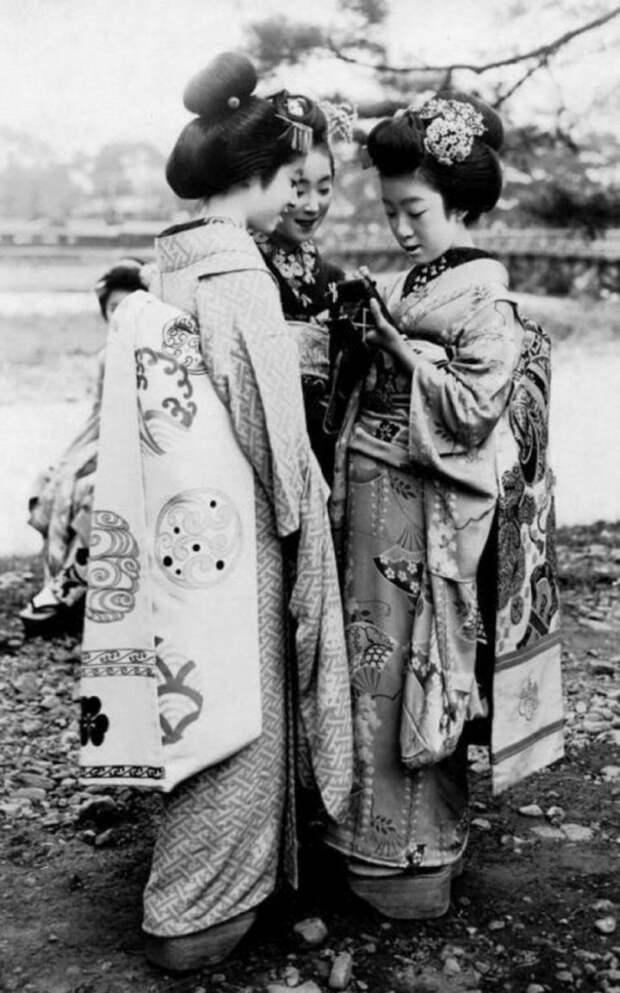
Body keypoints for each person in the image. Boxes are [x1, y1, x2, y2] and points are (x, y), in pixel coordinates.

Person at [78, 52, 352, 972]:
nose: (295, 199)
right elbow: (277, 438)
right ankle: (202, 906)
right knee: (249, 712)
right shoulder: (239, 280)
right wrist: (308, 529)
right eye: (289, 180)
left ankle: (219, 890)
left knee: (199, 699)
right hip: (240, 530)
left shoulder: (173, 266)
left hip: (183, 530)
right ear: (255, 180)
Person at [326, 94, 562, 919]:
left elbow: (473, 409)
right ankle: (359, 834)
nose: (399, 229)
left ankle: (414, 851)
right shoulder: (419, 278)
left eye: (414, 210)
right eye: (389, 210)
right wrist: (368, 336)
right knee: (364, 664)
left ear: (460, 203)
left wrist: (397, 350)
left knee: (410, 669)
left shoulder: (485, 302)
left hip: (428, 510)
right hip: (371, 499)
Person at [20, 258, 145, 633]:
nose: (121, 317)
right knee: (56, 481)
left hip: (146, 446)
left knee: (94, 491)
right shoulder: (108, 357)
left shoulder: (154, 354)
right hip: (111, 441)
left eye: (131, 308)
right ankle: (59, 583)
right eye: (113, 309)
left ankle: (74, 586)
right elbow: (97, 419)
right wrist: (70, 460)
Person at [252, 100, 354, 479]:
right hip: (263, 456)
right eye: (297, 187)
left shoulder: (334, 278)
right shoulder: (246, 270)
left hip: (324, 457)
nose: (312, 205)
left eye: (324, 189)